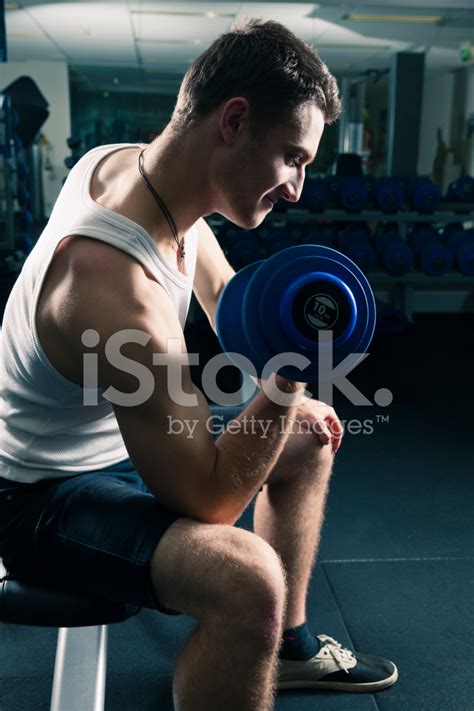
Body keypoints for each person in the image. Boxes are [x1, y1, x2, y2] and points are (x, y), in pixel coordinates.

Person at [0, 19, 397, 710]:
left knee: (313, 434)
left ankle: (287, 651)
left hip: (112, 441)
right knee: (248, 581)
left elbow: (232, 304)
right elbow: (210, 501)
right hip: (37, 493)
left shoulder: (144, 172)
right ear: (234, 122)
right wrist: (288, 372)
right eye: (292, 157)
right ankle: (259, 628)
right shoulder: (109, 288)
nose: (298, 187)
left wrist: (284, 373)